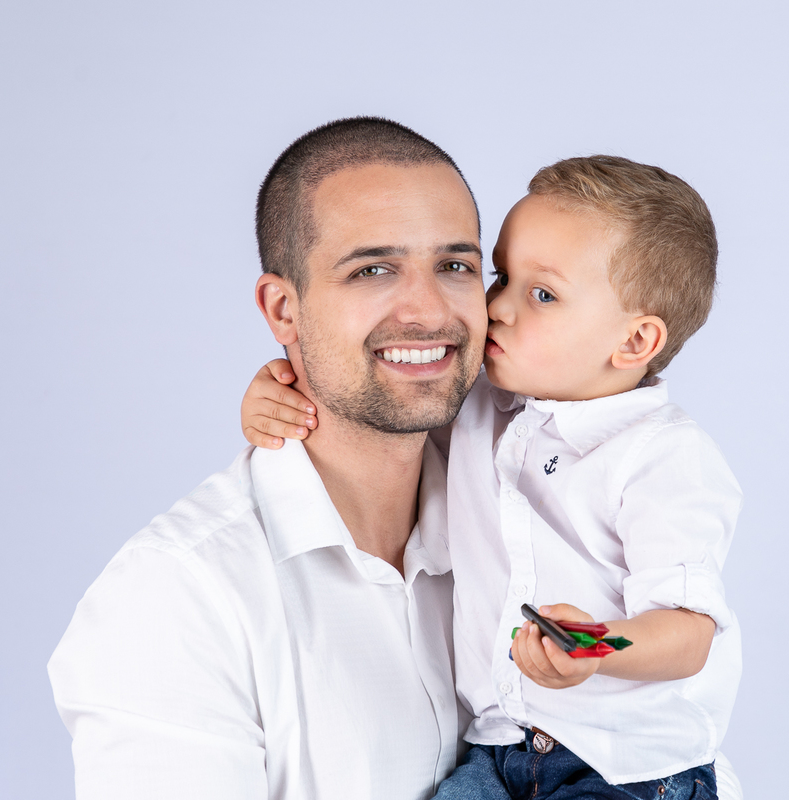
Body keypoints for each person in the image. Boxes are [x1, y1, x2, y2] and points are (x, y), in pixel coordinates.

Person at [242, 155, 743, 800]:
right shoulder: (482, 408)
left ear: (635, 342)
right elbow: (380, 403)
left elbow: (687, 631)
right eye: (500, 277)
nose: (496, 307)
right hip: (498, 749)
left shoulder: (662, 456)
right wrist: (279, 385)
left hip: (624, 767)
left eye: (542, 294)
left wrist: (596, 645)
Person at [48, 117, 489, 800]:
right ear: (283, 310)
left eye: (455, 266)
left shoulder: (526, 516)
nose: (429, 310)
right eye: (373, 269)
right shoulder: (180, 597)